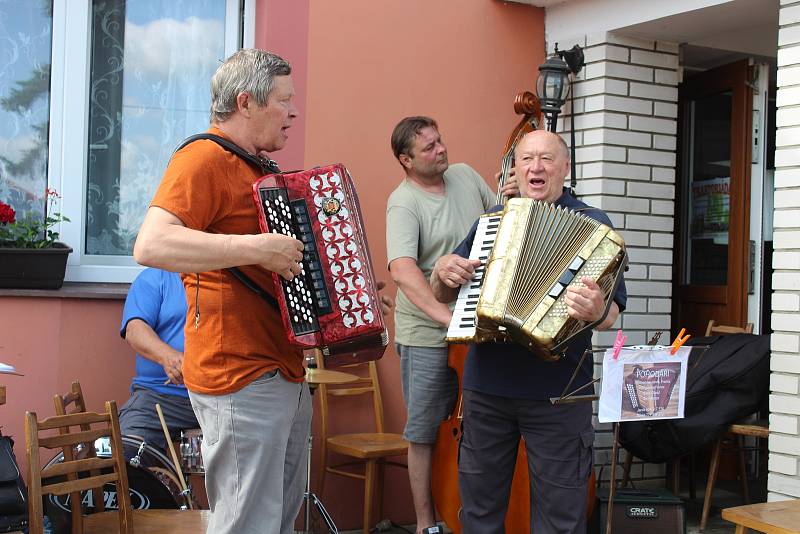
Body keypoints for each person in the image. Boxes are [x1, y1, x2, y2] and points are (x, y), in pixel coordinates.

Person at [134, 49, 311, 534]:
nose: (293, 112)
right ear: (245, 102)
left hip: (280, 370)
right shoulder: (202, 157)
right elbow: (151, 244)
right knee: (247, 524)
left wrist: (332, 287)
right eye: (283, 101)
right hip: (239, 373)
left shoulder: (256, 167)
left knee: (276, 520)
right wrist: (258, 247)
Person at [430, 129, 627, 534]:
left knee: (560, 517)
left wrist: (596, 310)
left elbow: (612, 314)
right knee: (479, 513)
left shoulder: (594, 226)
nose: (536, 167)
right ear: (516, 168)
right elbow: (446, 290)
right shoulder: (492, 223)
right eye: (527, 159)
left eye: (547, 159)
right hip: (487, 390)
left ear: (565, 167)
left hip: (557, 393)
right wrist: (441, 272)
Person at [385, 116, 516, 534]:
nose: (440, 150)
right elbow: (404, 271)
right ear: (406, 160)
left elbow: (499, 226)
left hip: (479, 323)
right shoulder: (403, 202)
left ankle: (473, 514)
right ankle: (427, 524)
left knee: (480, 425)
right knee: (424, 430)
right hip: (427, 333)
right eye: (428, 148)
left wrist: (512, 197)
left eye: (440, 141)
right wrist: (448, 317)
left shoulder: (464, 176)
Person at [119, 267, 199, 454]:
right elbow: (134, 330)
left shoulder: (229, 278)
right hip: (159, 397)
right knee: (126, 452)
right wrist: (169, 358)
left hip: (223, 397)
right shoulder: (155, 277)